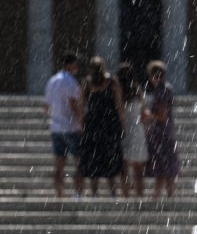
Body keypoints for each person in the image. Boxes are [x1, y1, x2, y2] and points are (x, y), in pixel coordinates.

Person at [77, 56, 125, 196]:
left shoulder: (87, 83)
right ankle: (113, 192)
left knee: (93, 158)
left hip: (93, 124)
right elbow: (119, 104)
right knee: (109, 157)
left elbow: (81, 105)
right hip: (109, 123)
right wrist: (122, 123)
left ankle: (94, 192)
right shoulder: (112, 82)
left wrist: (81, 123)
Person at [44, 53, 85, 197]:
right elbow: (74, 105)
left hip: (56, 127)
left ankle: (59, 193)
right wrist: (81, 121)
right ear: (69, 65)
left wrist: (55, 116)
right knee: (79, 162)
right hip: (71, 127)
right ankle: (78, 194)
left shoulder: (51, 81)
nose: (77, 68)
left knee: (59, 164)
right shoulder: (71, 82)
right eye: (76, 65)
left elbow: (46, 106)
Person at [144, 60, 179, 198]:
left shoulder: (160, 91)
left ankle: (157, 195)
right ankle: (170, 195)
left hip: (161, 133)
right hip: (168, 132)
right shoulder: (167, 88)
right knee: (168, 166)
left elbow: (161, 115)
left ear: (153, 76)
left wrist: (148, 115)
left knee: (161, 166)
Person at [116, 63, 150, 197]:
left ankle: (126, 196)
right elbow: (143, 114)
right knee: (138, 168)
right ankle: (140, 195)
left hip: (124, 129)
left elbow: (119, 113)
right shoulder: (138, 91)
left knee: (124, 168)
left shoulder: (118, 92)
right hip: (138, 130)